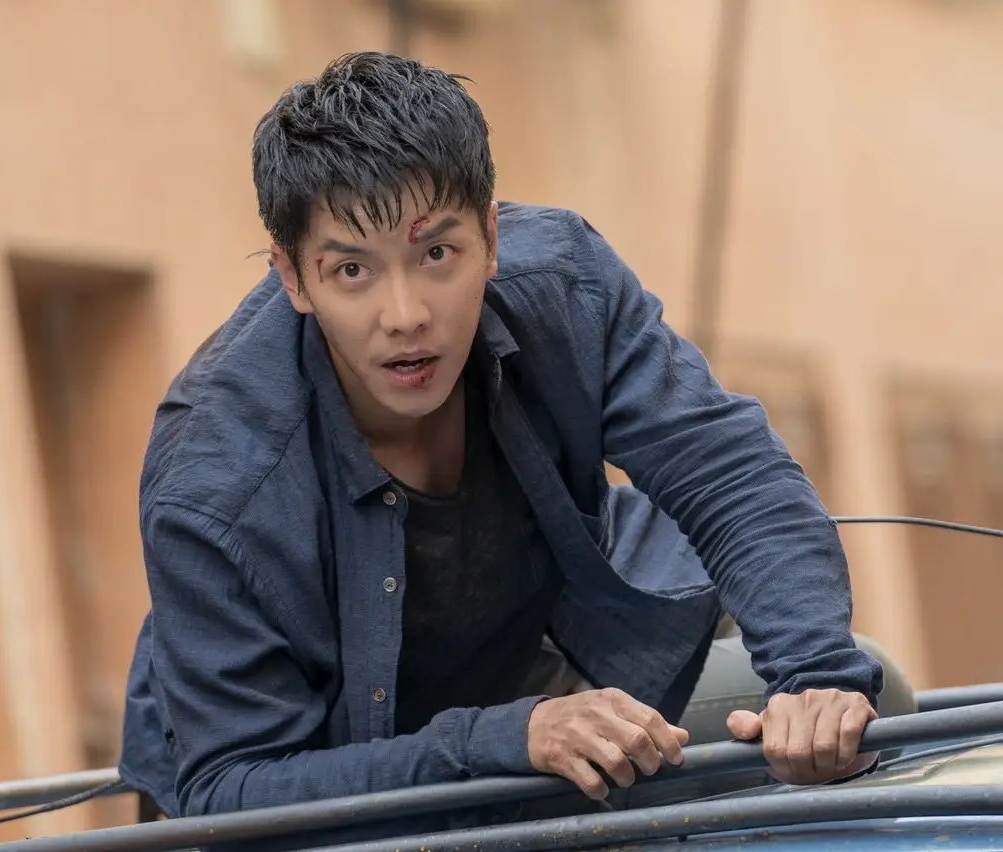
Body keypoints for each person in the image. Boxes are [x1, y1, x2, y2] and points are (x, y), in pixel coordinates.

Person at [118, 51, 887, 831]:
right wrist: (498, 740)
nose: (406, 315)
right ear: (292, 278)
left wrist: (814, 674)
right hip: (311, 774)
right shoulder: (213, 475)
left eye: (436, 254)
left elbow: (727, 473)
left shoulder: (565, 287)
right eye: (351, 270)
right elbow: (238, 788)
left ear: (490, 237)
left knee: (870, 691)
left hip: (523, 686)